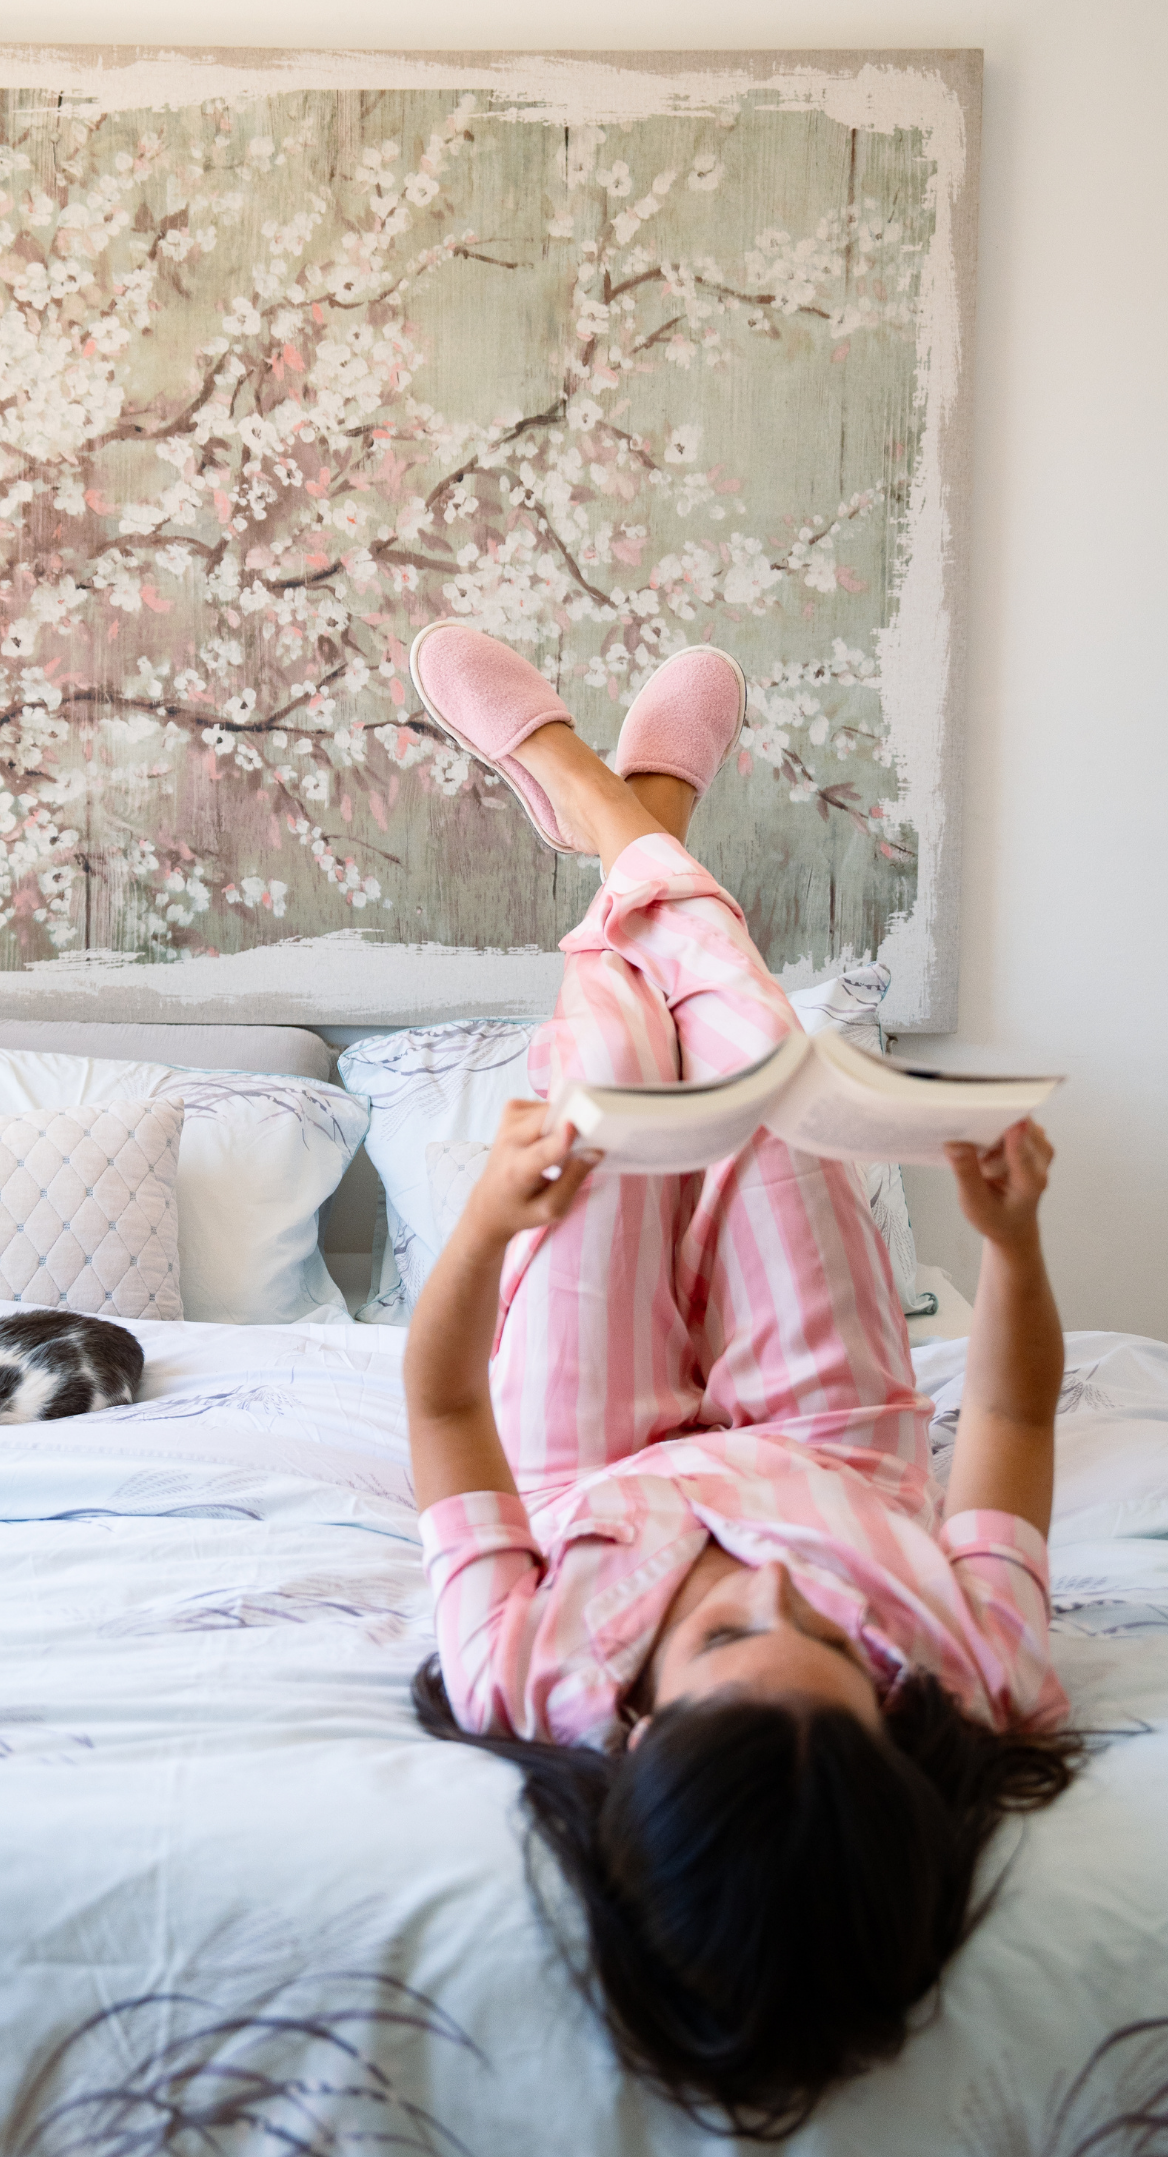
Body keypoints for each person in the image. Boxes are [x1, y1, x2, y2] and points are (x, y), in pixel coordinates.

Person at [400, 622, 1081, 2138]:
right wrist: (1013, 1249)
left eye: (723, 1643)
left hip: (592, 1459)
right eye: (828, 1652)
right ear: (891, 1744)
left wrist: (482, 1227)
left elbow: (445, 1414)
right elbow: (1021, 1417)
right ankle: (619, 810)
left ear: (634, 1735)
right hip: (831, 1435)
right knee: (760, 1049)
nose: (773, 1600)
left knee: (622, 1060)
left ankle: (593, 796)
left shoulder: (525, 1675)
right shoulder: (975, 1680)